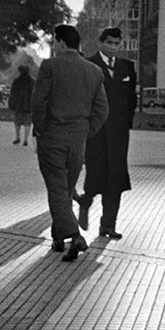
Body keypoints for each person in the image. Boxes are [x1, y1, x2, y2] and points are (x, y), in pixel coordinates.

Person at [31, 25, 108, 262]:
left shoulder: (50, 66)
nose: (53, 47)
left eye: (55, 42)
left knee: (57, 189)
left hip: (52, 137)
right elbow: (102, 109)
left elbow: (38, 102)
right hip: (78, 141)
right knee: (65, 189)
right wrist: (86, 132)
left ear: (62, 43)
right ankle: (58, 237)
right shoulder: (94, 71)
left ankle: (74, 236)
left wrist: (41, 130)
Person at [78, 27, 137, 240]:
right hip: (96, 133)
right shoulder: (90, 65)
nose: (113, 47)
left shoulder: (127, 68)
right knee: (95, 175)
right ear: (100, 43)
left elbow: (132, 100)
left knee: (116, 180)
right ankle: (85, 202)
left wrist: (126, 123)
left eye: (117, 43)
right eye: (110, 43)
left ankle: (108, 226)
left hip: (119, 135)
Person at [7, 65, 35, 146]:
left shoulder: (16, 81)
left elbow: (12, 94)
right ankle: (25, 139)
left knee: (17, 123)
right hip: (29, 106)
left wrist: (11, 104)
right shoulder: (32, 81)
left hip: (18, 106)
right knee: (27, 123)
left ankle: (18, 137)